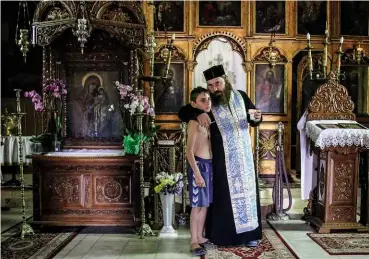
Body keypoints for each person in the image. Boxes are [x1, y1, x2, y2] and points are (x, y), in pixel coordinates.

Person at [178, 65, 263, 247]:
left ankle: (250, 235)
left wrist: (257, 117)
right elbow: (183, 112)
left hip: (244, 158)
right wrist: (199, 112)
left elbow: (253, 118)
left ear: (226, 80)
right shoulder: (208, 103)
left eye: (217, 83)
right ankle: (224, 237)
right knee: (225, 199)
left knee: (247, 196)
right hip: (221, 161)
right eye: (210, 85)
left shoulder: (241, 96)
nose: (215, 88)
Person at [186, 87, 213, 256]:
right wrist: (197, 173)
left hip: (209, 165)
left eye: (208, 99)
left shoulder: (208, 120)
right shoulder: (194, 122)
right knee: (196, 205)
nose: (207, 103)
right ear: (193, 103)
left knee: (205, 204)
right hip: (199, 166)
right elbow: (189, 151)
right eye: (203, 100)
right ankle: (193, 240)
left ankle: (200, 235)